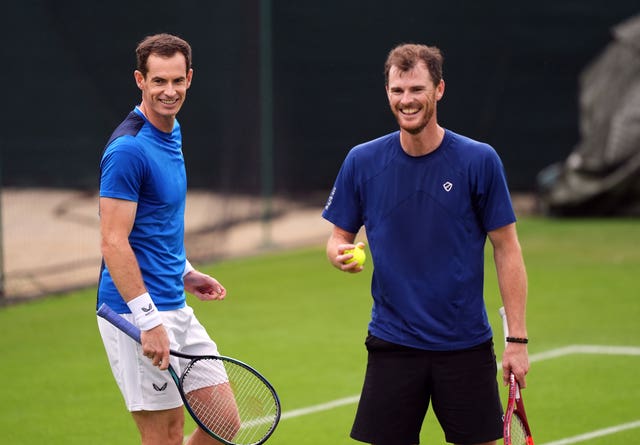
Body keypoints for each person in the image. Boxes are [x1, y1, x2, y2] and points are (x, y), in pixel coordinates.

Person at [322, 43, 530, 445]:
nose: (406, 100)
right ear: (387, 92)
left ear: (439, 89)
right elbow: (337, 237)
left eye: (416, 89)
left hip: (464, 345)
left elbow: (507, 248)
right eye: (397, 91)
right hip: (392, 343)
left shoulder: (479, 160)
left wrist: (517, 341)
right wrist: (339, 255)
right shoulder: (361, 161)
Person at [97, 33, 232, 445]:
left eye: (177, 81)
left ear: (189, 78)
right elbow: (113, 241)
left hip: (175, 301)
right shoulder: (128, 150)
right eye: (158, 81)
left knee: (224, 424)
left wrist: (185, 271)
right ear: (140, 80)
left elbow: (157, 222)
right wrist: (148, 320)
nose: (169, 92)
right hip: (136, 314)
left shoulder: (171, 131)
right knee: (165, 437)